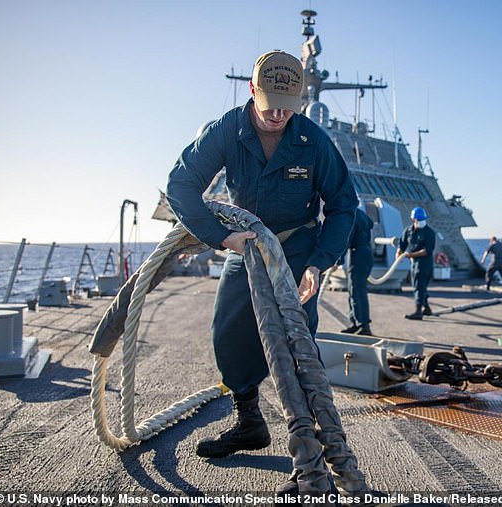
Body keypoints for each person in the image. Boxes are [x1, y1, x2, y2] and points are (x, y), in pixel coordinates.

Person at [166, 51, 357, 468]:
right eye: (271, 107)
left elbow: (344, 204)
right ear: (253, 91)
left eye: (289, 109)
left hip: (297, 247)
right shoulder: (227, 130)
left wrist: (318, 263)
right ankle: (249, 421)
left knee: (296, 344)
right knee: (229, 334)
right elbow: (181, 184)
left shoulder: (312, 139)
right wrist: (222, 238)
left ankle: (310, 453)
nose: (279, 117)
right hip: (246, 245)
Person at [339, 208, 374, 336]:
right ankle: (355, 322)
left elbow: (346, 239)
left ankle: (364, 325)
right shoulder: (362, 214)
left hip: (358, 254)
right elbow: (370, 224)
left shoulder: (352, 215)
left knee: (358, 291)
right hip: (365, 252)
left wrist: (338, 260)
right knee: (353, 289)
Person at [397, 207, 436, 320]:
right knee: (420, 286)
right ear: (413, 219)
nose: (420, 221)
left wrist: (410, 255)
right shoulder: (408, 231)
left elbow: (426, 251)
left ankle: (418, 311)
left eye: (422, 219)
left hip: (425, 263)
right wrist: (399, 253)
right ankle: (427, 308)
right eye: (418, 219)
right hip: (414, 263)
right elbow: (402, 244)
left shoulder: (429, 233)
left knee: (419, 286)